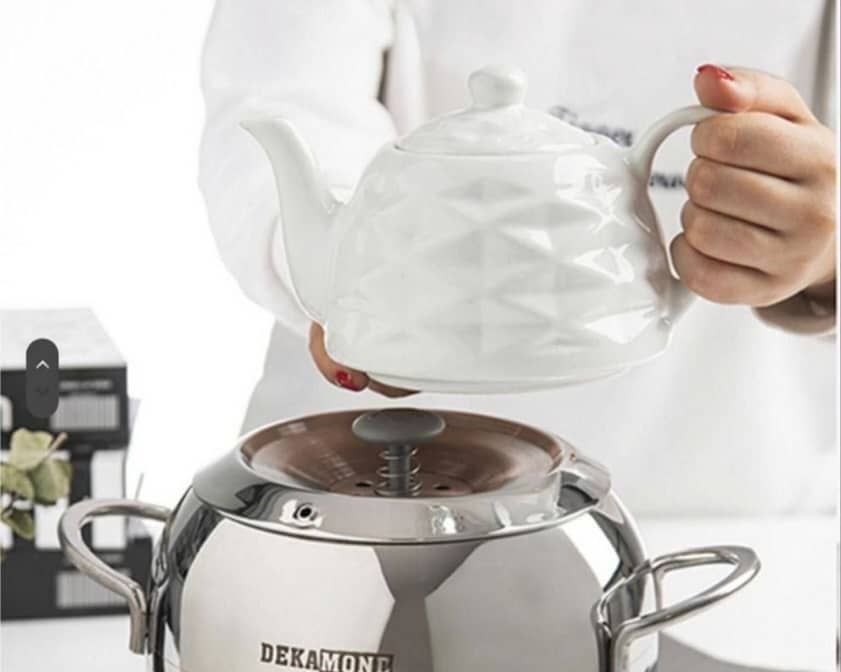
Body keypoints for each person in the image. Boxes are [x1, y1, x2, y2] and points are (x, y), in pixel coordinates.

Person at [199, 1, 836, 515]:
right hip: (357, 503)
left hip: (725, 498)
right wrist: (348, 275)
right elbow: (281, 95)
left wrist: (825, 249)